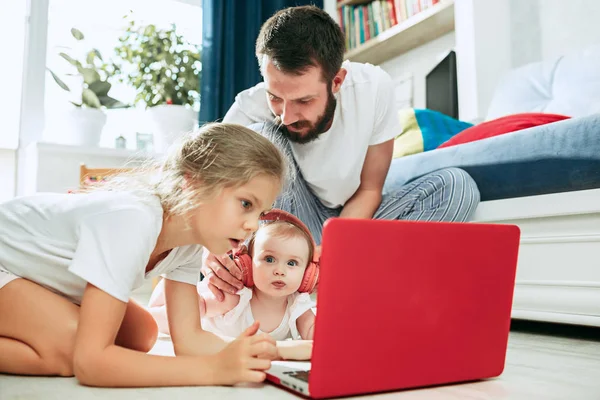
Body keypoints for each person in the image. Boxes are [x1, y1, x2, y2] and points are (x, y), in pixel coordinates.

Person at [202, 5, 481, 301]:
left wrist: (336, 246)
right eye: (275, 97)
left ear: (337, 81)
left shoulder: (374, 89)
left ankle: (335, 275)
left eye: (304, 100)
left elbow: (370, 188)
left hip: (351, 220)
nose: (286, 115)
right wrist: (212, 249)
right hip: (286, 225)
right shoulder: (250, 107)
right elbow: (208, 187)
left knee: (458, 187)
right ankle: (309, 274)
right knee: (262, 134)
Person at [0, 123, 288, 387]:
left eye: (260, 213)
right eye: (245, 204)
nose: (252, 226)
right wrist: (214, 370)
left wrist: (263, 359)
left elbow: (189, 341)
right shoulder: (132, 220)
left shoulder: (188, 243)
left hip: (31, 274)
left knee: (142, 333)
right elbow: (91, 364)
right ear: (194, 183)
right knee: (71, 349)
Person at [149, 209, 318, 361]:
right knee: (169, 317)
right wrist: (151, 318)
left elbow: (313, 331)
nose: (280, 270)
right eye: (269, 259)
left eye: (292, 263)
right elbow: (187, 313)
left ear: (308, 274)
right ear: (248, 264)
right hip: (178, 298)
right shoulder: (234, 296)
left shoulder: (297, 305)